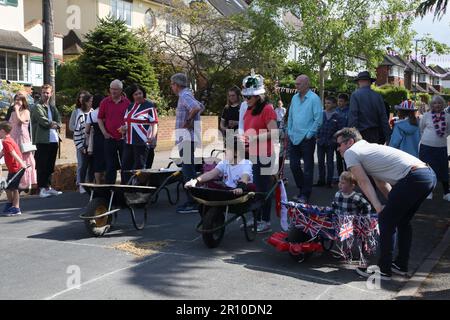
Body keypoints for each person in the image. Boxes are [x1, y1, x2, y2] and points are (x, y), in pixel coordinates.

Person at [335, 127, 436, 280]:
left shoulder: (351, 152)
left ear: (350, 142)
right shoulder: (370, 150)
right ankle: (400, 265)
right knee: (402, 221)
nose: (338, 148)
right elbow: (381, 183)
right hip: (427, 176)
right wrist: (391, 204)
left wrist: (378, 207)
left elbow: (362, 181)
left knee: (386, 220)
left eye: (340, 144)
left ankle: (384, 270)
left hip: (414, 178)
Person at [242, 71, 278, 233]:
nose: (246, 99)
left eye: (249, 97)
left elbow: (274, 132)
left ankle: (265, 220)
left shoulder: (268, 109)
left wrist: (255, 138)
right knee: (254, 187)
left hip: (266, 153)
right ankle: (255, 217)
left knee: (264, 187)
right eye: (245, 97)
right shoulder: (249, 109)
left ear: (258, 96)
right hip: (253, 153)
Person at [171, 73, 204, 214]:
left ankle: (193, 201)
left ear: (176, 85)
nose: (171, 87)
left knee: (187, 170)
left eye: (172, 84)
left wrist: (189, 121)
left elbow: (196, 107)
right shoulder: (186, 95)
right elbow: (200, 106)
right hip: (187, 138)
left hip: (186, 138)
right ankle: (193, 200)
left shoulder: (184, 95)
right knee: (188, 168)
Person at [287, 75, 323, 203]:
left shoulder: (314, 99)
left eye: (298, 84)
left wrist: (309, 134)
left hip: (307, 139)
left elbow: (318, 119)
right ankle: (303, 189)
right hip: (294, 137)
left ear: (307, 84)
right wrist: (289, 131)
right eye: (296, 84)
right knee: (293, 165)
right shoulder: (294, 98)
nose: (296, 86)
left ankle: (305, 194)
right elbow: (290, 116)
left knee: (308, 168)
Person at [184, 136, 253, 195]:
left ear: (236, 153)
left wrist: (240, 187)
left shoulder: (246, 163)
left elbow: (245, 177)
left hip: (240, 193)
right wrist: (195, 181)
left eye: (227, 150)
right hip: (227, 191)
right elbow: (211, 174)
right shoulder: (224, 163)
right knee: (210, 184)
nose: (224, 152)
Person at [120, 84, 158, 183]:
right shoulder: (130, 106)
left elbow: (154, 123)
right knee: (125, 166)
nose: (138, 96)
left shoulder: (149, 106)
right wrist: (123, 128)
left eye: (140, 93)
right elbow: (127, 122)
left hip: (142, 141)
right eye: (136, 94)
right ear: (132, 96)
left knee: (139, 167)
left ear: (143, 93)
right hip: (128, 141)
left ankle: (139, 188)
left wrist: (152, 137)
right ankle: (126, 188)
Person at [31, 84, 62, 198]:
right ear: (41, 93)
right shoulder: (37, 106)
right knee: (41, 165)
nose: (46, 95)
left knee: (50, 165)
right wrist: (52, 123)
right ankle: (41, 189)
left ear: (51, 93)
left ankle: (48, 187)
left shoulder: (52, 107)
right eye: (44, 92)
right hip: (42, 140)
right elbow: (43, 121)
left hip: (53, 139)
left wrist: (55, 124)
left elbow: (59, 121)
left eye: (48, 92)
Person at [97, 80, 130, 184]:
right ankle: (110, 189)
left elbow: (130, 119)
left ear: (121, 90)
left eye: (115, 89)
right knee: (110, 165)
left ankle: (125, 187)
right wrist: (104, 133)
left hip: (123, 138)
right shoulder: (105, 102)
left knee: (125, 164)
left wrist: (126, 127)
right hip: (109, 139)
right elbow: (99, 118)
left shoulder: (127, 102)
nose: (113, 91)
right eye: (111, 88)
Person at [419, 95, 450, 201]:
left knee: (443, 169)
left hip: (441, 147)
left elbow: (448, 130)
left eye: (439, 103)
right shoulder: (426, 116)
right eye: (435, 103)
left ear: (443, 104)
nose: (437, 105)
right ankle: (428, 192)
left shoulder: (448, 116)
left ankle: (446, 193)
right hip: (426, 147)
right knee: (427, 169)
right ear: (431, 105)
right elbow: (421, 128)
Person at [348, 71, 391, 144]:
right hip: (375, 134)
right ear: (370, 82)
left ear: (359, 81)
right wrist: (388, 137)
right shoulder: (378, 96)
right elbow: (383, 118)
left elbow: (353, 117)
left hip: (360, 134)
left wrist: (350, 136)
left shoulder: (355, 95)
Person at [9, 94, 37, 191]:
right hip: (14, 138)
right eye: (16, 100)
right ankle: (19, 181)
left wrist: (17, 110)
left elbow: (19, 122)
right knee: (16, 160)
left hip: (23, 138)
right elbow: (10, 125)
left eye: (19, 100)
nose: (17, 102)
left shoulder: (26, 112)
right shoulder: (12, 113)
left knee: (26, 160)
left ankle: (27, 183)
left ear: (23, 102)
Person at [0, 121, 27, 216]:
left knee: (14, 188)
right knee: (8, 187)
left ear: (2, 131)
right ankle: (10, 203)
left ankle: (16, 208)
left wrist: (22, 163)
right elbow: (3, 152)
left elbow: (13, 153)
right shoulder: (7, 140)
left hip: (17, 168)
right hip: (13, 168)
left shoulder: (6, 141)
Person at [316, 96, 341, 188]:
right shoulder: (321, 114)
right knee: (320, 162)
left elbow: (339, 129)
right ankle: (321, 180)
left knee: (330, 162)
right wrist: (317, 137)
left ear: (334, 104)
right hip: (321, 142)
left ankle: (329, 181)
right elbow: (317, 125)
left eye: (329, 103)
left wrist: (335, 140)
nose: (326, 104)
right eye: (325, 103)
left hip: (331, 143)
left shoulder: (337, 115)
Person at [74, 93, 94, 193]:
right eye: (90, 101)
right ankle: (82, 184)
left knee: (91, 167)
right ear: (86, 102)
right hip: (84, 144)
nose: (92, 103)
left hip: (93, 144)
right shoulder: (80, 115)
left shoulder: (94, 113)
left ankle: (90, 184)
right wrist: (80, 146)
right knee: (83, 165)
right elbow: (77, 132)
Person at [85, 94, 106, 184]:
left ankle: (97, 183)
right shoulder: (106, 112)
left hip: (96, 139)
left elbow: (87, 130)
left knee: (97, 162)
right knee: (107, 160)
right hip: (107, 138)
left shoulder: (91, 114)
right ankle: (107, 182)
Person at [336, 93, 350, 177]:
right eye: (338, 101)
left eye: (341, 101)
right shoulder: (336, 110)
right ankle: (340, 176)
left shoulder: (349, 111)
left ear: (346, 102)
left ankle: (348, 176)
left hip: (346, 137)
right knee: (338, 158)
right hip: (337, 137)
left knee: (347, 158)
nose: (339, 103)